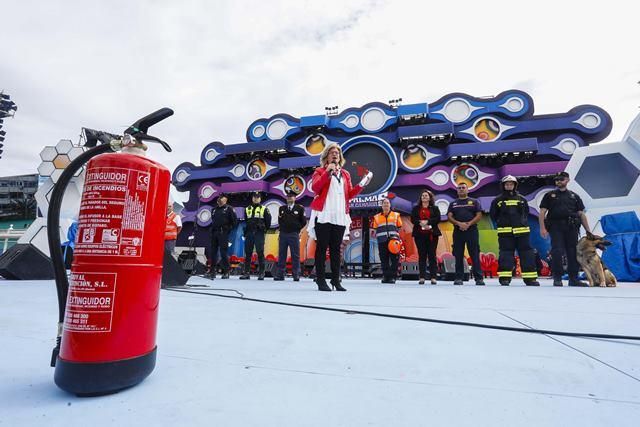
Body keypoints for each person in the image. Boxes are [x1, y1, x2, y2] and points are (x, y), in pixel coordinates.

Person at [308, 143, 371, 291]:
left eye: (337, 152)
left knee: (336, 249)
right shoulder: (319, 171)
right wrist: (327, 172)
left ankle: (336, 280)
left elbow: (349, 195)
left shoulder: (345, 174)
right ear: (326, 156)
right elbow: (315, 188)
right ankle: (321, 279)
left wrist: (362, 184)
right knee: (322, 248)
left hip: (339, 215)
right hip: (324, 214)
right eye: (332, 152)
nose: (335, 154)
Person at [539, 171, 592, 287]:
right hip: (555, 226)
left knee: (573, 252)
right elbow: (542, 212)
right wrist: (542, 228)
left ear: (567, 180)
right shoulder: (549, 195)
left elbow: (581, 214)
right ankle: (557, 278)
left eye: (561, 179)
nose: (559, 181)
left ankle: (574, 279)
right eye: (557, 179)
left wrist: (588, 231)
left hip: (571, 227)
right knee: (557, 251)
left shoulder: (574, 196)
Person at [489, 175, 540, 286]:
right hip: (505, 232)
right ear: (503, 186)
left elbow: (525, 213)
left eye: (511, 184)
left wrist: (521, 223)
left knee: (527, 254)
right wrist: (501, 223)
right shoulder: (497, 200)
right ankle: (505, 278)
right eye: (507, 184)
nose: (509, 186)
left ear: (515, 185)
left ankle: (530, 279)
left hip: (522, 231)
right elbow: (493, 215)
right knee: (506, 254)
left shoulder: (521, 199)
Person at [447, 183, 485, 286]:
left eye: (463, 188)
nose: (461, 189)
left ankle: (479, 278)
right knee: (458, 255)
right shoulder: (453, 204)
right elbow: (449, 216)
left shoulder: (474, 202)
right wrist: (458, 223)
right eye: (459, 188)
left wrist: (468, 224)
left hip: (471, 231)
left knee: (474, 254)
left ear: (467, 190)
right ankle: (459, 278)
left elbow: (479, 215)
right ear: (457, 190)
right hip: (458, 231)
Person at [273, 190, 307, 281]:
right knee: (282, 254)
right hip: (283, 234)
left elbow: (303, 222)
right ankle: (280, 274)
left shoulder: (299, 208)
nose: (289, 198)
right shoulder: (282, 208)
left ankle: (296, 274)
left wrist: (297, 229)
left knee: (295, 255)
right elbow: (280, 221)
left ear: (295, 198)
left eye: (291, 196)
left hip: (294, 234)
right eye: (288, 196)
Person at [410, 189, 441, 285]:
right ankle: (422, 277)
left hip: (432, 235)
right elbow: (413, 218)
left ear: (430, 197)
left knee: (432, 256)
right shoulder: (416, 208)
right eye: (423, 195)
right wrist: (421, 223)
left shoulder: (435, 208)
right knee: (422, 255)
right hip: (419, 235)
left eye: (426, 195)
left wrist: (428, 223)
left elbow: (437, 218)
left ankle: (433, 277)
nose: (424, 197)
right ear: (421, 198)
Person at [240, 191, 271, 280]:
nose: (255, 198)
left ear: (260, 199)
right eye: (254, 197)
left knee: (260, 252)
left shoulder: (264, 209)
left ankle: (261, 273)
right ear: (252, 198)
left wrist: (263, 229)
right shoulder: (247, 209)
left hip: (259, 233)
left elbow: (268, 222)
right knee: (248, 253)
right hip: (249, 233)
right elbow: (246, 220)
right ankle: (246, 273)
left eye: (257, 197)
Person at [373, 198, 403, 284]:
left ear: (390, 205)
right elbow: (375, 229)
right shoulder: (376, 217)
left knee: (394, 259)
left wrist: (396, 237)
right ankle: (386, 276)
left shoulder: (396, 215)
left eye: (387, 203)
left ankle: (393, 277)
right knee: (384, 259)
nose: (386, 205)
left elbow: (400, 227)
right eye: (384, 203)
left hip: (394, 241)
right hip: (382, 241)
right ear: (381, 206)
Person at [209, 193, 237, 279]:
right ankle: (212, 271)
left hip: (223, 233)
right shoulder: (214, 209)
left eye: (222, 198)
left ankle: (226, 270)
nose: (220, 199)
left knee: (223, 252)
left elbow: (234, 222)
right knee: (213, 252)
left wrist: (227, 230)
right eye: (219, 198)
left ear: (226, 200)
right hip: (214, 232)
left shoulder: (229, 209)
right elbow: (213, 220)